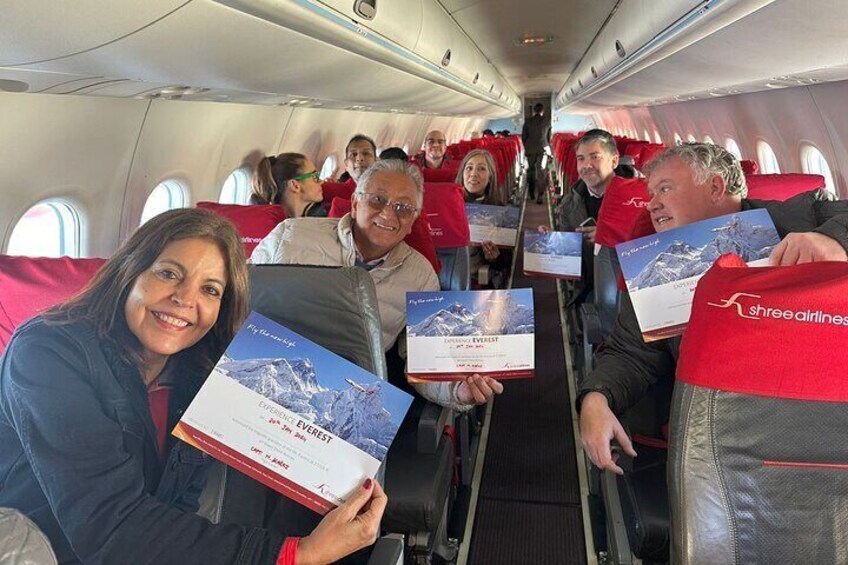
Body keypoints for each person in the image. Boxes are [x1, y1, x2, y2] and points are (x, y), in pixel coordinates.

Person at [0, 208, 386, 565]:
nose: (185, 299)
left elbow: (178, 503)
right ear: (129, 271)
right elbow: (110, 526)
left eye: (211, 290)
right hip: (36, 549)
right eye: (168, 273)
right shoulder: (47, 353)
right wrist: (293, 554)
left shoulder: (201, 375)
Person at [578, 143, 848, 475]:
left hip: (825, 425)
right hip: (726, 443)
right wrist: (596, 398)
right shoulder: (659, 265)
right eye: (650, 192)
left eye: (664, 188)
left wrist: (834, 240)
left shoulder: (797, 220)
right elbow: (631, 353)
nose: (651, 204)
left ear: (716, 187)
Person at [251, 160, 503, 410]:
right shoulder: (289, 237)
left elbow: (423, 360)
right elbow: (238, 304)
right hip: (263, 378)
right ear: (354, 203)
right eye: (377, 200)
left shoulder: (420, 277)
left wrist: (457, 390)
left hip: (343, 401)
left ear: (413, 220)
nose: (387, 214)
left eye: (403, 207)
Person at [457, 149, 511, 286]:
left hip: (474, 278)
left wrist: (494, 258)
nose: (473, 174)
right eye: (469, 168)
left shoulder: (499, 211)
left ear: (490, 176)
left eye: (481, 169)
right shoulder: (447, 205)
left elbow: (506, 261)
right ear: (462, 174)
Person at [250, 153, 327, 218]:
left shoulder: (327, 218)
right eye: (314, 176)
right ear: (295, 186)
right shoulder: (271, 231)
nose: (321, 182)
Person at [521, 103, 551, 204]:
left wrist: (527, 147)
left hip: (530, 149)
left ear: (534, 111)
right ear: (542, 111)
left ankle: (531, 194)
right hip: (542, 149)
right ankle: (540, 196)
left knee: (531, 171)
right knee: (541, 172)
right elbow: (548, 137)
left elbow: (524, 137)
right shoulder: (547, 121)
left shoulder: (528, 121)